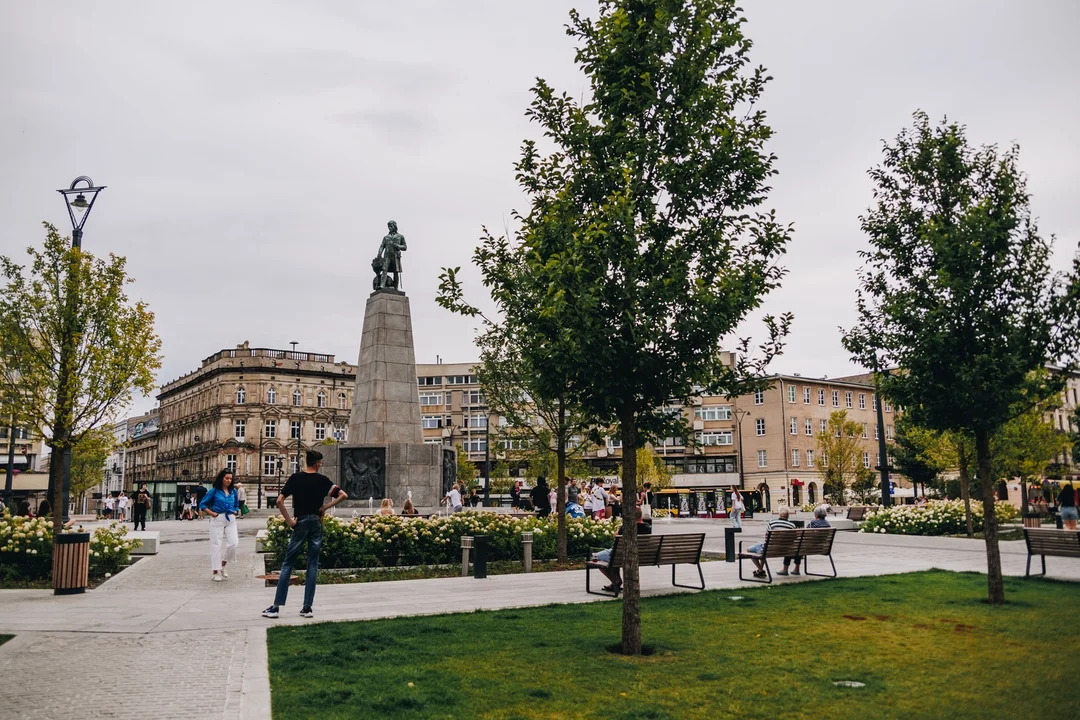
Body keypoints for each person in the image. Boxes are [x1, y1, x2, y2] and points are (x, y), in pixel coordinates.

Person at [263, 450, 347, 619]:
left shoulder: (296, 478)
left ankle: (276, 607)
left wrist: (289, 521)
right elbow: (343, 495)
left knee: (288, 563)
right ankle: (307, 607)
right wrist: (325, 508)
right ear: (317, 463)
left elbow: (279, 500)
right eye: (320, 463)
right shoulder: (323, 481)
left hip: (300, 521)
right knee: (312, 564)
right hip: (316, 522)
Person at [592, 509, 650, 594]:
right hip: (639, 554)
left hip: (620, 553)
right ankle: (616, 580)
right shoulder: (647, 527)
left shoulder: (627, 527)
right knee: (615, 558)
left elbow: (615, 536)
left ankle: (615, 580)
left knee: (595, 557)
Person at [200, 470, 240, 582]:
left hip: (230, 518)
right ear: (221, 478)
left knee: (234, 543)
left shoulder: (233, 492)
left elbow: (237, 504)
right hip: (217, 518)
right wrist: (212, 513)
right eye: (226, 478)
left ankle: (223, 564)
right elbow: (202, 504)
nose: (228, 480)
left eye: (230, 479)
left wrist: (236, 511)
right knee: (216, 544)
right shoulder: (214, 491)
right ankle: (215, 572)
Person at [747, 507, 797, 579]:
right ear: (788, 515)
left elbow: (766, 537)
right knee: (764, 549)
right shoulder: (792, 525)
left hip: (770, 549)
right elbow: (793, 538)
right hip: (786, 550)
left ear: (779, 514)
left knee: (749, 550)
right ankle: (760, 570)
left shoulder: (772, 522)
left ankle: (761, 569)